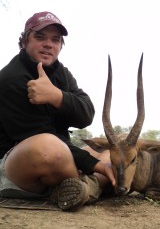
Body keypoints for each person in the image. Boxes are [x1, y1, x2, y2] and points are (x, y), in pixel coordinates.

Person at [0, 11, 115, 211]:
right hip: (19, 163)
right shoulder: (10, 78)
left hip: (64, 155)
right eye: (40, 37)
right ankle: (91, 185)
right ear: (24, 41)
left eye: (55, 40)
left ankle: (80, 188)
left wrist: (56, 96)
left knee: (114, 154)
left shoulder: (61, 72)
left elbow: (86, 114)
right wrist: (95, 166)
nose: (49, 44)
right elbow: (37, 136)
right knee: (49, 147)